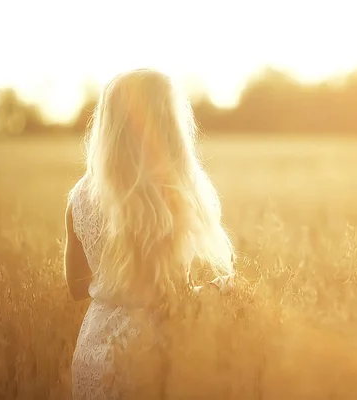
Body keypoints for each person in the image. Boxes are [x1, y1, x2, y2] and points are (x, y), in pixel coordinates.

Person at [63, 68, 236, 399]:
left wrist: (115, 286)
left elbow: (75, 287)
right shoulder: (168, 195)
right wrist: (217, 290)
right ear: (169, 124)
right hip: (146, 354)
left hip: (93, 347)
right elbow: (170, 300)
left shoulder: (80, 196)